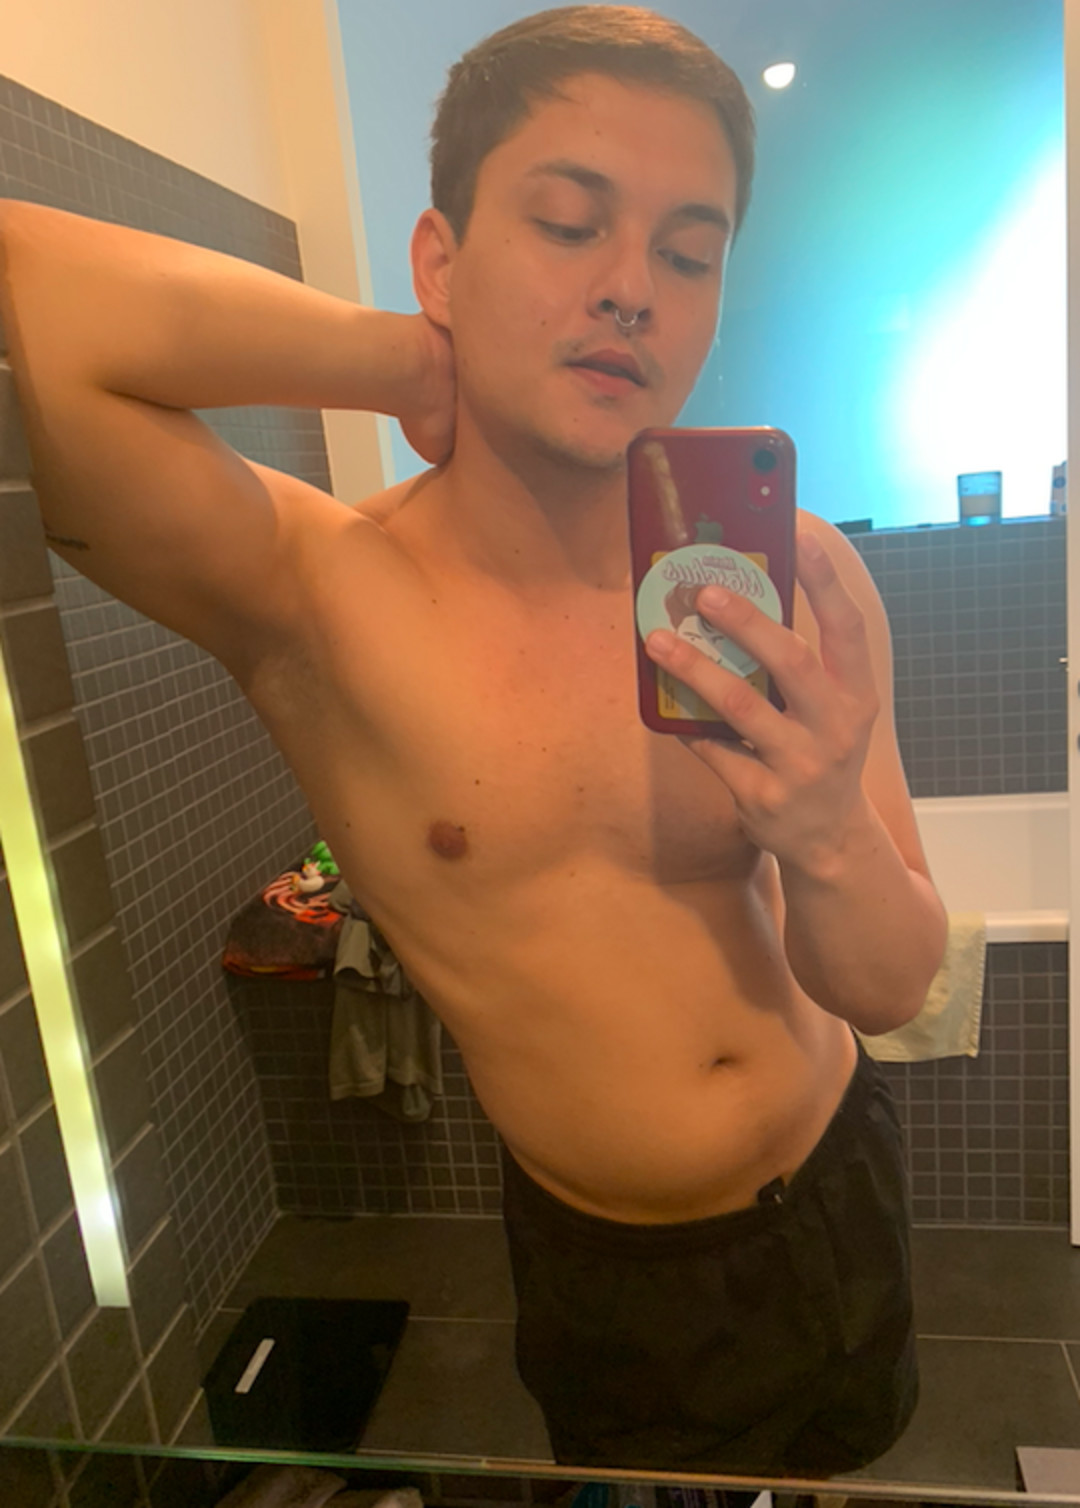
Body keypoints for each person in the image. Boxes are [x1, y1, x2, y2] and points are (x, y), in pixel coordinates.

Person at [0, 4, 947, 1480]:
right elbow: (28, 297)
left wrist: (825, 829)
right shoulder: (317, 593)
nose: (630, 289)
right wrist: (407, 365)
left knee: (857, 1469)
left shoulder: (792, 584)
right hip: (618, 1271)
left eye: (688, 255)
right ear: (441, 259)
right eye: (569, 225)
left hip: (839, 1178)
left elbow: (888, 985)